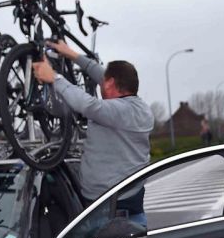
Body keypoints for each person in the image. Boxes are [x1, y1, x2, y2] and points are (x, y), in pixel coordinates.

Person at [32, 41, 154, 224]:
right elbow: (98, 72)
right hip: (117, 204)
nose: (100, 82)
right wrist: (71, 54)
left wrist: (55, 78)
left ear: (110, 83)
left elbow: (87, 105)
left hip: (112, 216)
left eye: (104, 81)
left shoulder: (120, 111)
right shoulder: (138, 107)